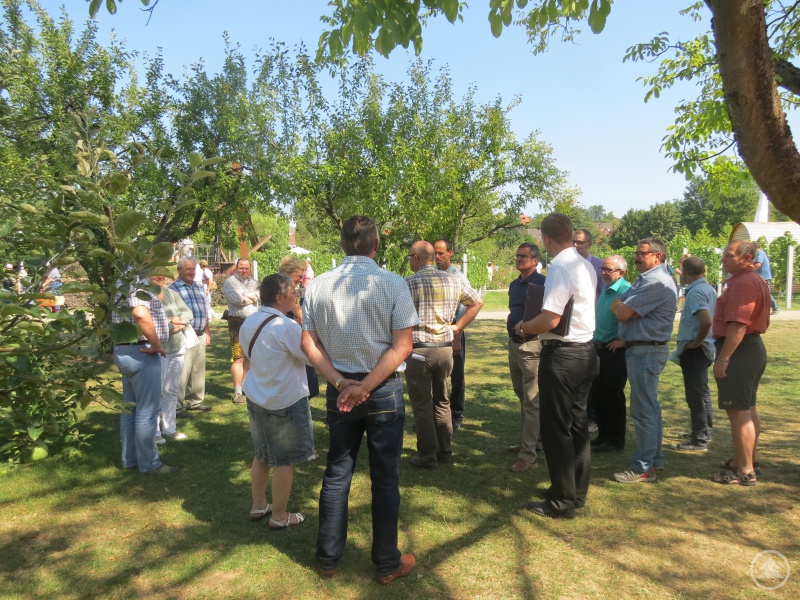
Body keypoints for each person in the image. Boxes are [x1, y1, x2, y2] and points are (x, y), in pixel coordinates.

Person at [301, 215, 419, 584]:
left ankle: (328, 558)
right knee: (385, 478)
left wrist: (341, 382)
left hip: (344, 393)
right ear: (376, 244)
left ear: (342, 244)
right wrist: (364, 385)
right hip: (379, 390)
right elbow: (404, 346)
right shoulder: (392, 283)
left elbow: (309, 343)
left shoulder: (318, 285)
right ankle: (386, 563)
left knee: (337, 473)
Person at [516, 213, 598, 519]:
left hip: (563, 355)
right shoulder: (584, 263)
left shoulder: (561, 265)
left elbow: (550, 317)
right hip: (585, 351)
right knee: (577, 426)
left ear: (546, 238)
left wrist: (524, 328)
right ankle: (574, 492)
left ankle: (562, 501)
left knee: (557, 429)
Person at [240, 273, 315, 528]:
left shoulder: (250, 321)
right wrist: (302, 320)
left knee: (261, 455)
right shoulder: (285, 326)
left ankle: (259, 504)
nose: (297, 297)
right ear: (280, 297)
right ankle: (280, 516)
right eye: (293, 292)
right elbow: (309, 356)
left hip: (258, 395)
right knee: (285, 460)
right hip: (284, 399)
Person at [405, 241, 483, 469]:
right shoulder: (454, 280)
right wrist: (457, 327)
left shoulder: (408, 283)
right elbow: (477, 302)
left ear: (417, 258)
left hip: (420, 351)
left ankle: (428, 457)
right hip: (446, 350)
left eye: (410, 256)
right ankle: (445, 450)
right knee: (442, 400)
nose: (409, 260)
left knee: (422, 405)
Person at [610, 238, 677, 484]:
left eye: (642, 253)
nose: (637, 257)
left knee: (643, 411)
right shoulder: (645, 279)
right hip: (642, 350)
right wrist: (620, 306)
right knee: (649, 407)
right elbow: (617, 305)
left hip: (646, 352)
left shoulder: (656, 282)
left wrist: (621, 307)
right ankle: (654, 460)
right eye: (636, 253)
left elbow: (622, 311)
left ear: (657, 256)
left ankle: (643, 467)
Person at [711, 241, 770, 486]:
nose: (723, 260)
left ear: (746, 258)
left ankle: (745, 471)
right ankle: (746, 461)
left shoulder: (744, 283)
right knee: (748, 409)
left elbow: (738, 325)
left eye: (728, 256)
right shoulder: (750, 279)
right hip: (749, 348)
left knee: (739, 412)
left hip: (741, 349)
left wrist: (724, 358)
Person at [111, 274, 178, 474]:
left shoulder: (120, 279)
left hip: (124, 349)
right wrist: (156, 343)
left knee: (131, 409)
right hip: (141, 350)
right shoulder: (137, 281)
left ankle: (130, 459)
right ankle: (149, 464)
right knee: (147, 409)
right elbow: (140, 312)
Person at [506, 242, 546, 473]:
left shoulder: (543, 283)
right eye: (517, 255)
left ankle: (527, 454)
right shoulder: (514, 284)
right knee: (522, 397)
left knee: (532, 401)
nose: (519, 259)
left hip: (532, 347)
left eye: (524, 256)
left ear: (535, 261)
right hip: (514, 345)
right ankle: (531, 441)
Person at [670, 256, 717, 452]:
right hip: (704, 348)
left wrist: (696, 342)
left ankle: (699, 440)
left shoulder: (696, 292)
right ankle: (703, 430)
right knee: (702, 392)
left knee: (695, 395)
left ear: (686, 273)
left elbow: (705, 321)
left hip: (697, 349)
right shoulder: (707, 288)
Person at [588, 255, 631, 453]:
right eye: (602, 269)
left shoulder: (627, 291)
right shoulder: (606, 289)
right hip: (598, 348)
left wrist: (625, 341)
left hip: (614, 351)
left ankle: (615, 440)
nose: (603, 273)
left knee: (613, 396)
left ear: (621, 272)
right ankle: (603, 436)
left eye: (608, 270)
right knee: (598, 394)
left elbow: (638, 319)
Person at [151, 274, 192, 443]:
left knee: (171, 390)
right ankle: (154, 432)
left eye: (162, 274)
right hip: (158, 350)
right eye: (155, 275)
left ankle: (169, 428)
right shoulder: (144, 295)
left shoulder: (171, 294)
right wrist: (170, 323)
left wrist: (176, 322)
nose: (160, 277)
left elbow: (188, 314)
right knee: (156, 392)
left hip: (177, 348)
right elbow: (151, 323)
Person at [433, 239, 469, 430]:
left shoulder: (458, 278)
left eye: (441, 253)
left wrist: (457, 338)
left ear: (450, 253)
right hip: (436, 336)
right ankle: (438, 415)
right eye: (435, 254)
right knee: (437, 377)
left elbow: (464, 310)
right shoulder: (433, 275)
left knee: (456, 377)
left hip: (453, 334)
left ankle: (456, 415)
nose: (437, 257)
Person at [170, 257, 212, 414]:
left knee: (198, 370)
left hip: (200, 334)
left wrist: (207, 331)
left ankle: (195, 401)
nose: (191, 272)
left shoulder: (199, 287)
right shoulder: (173, 289)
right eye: (188, 269)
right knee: (182, 372)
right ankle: (177, 406)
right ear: (179, 271)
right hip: (185, 335)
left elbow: (204, 310)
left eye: (193, 269)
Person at [279, 255, 319, 399]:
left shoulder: (284, 285)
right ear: (287, 271)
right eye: (299, 275)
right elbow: (297, 312)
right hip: (289, 333)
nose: (301, 279)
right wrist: (300, 315)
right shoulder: (283, 288)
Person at [223, 258, 260, 405]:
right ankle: (238, 392)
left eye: (246, 268)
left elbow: (260, 295)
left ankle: (246, 387)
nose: (244, 271)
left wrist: (247, 296)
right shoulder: (230, 282)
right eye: (241, 268)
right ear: (236, 268)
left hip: (253, 322)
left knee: (250, 356)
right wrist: (251, 297)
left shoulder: (254, 282)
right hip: (237, 322)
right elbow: (238, 300)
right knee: (238, 357)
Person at [572, 228, 603, 301]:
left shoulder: (599, 265)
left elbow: (603, 293)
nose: (575, 245)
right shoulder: (566, 264)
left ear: (590, 244)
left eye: (579, 242)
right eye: (573, 242)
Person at [753, 242, 780, 314]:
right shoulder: (758, 253)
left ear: (755, 248)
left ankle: (775, 308)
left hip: (763, 277)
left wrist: (750, 271)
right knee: (758, 293)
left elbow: (758, 264)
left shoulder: (760, 253)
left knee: (765, 293)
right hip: (760, 276)